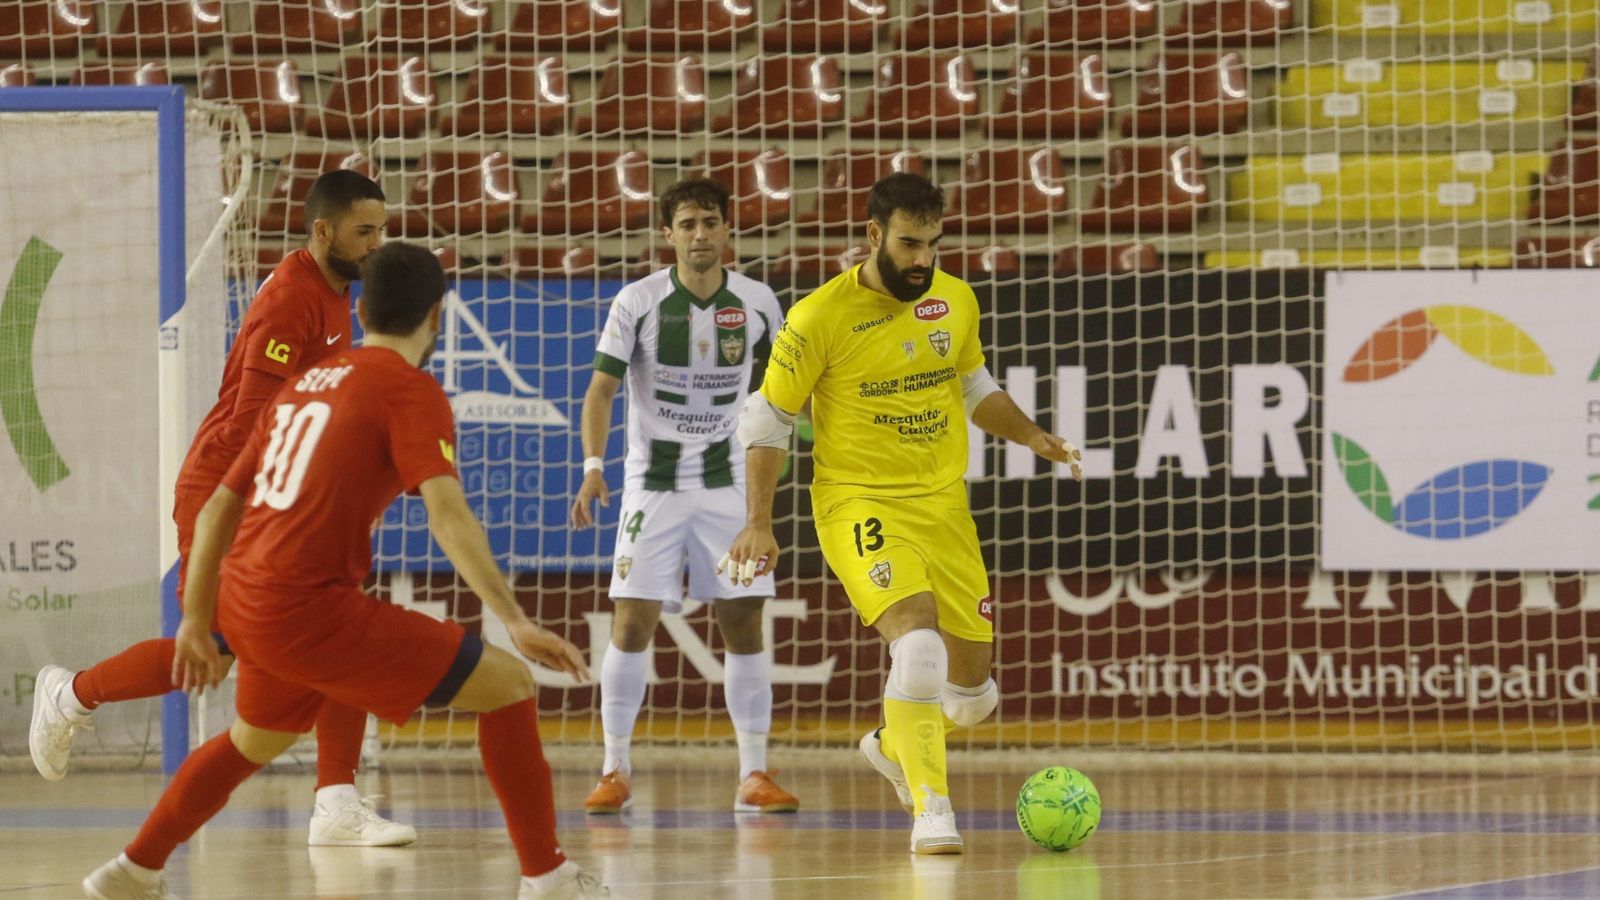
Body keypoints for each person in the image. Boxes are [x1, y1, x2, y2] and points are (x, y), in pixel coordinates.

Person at [82, 243, 610, 900]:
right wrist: (514, 619)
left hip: (245, 597)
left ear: (360, 311)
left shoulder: (304, 383)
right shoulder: (410, 391)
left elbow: (221, 504)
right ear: (437, 319)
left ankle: (134, 868)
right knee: (508, 683)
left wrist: (196, 615)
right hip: (308, 606)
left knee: (256, 738)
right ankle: (549, 877)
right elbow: (447, 515)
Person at [28, 170, 419, 847]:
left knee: (337, 625)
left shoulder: (334, 293)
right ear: (323, 230)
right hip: (229, 489)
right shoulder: (291, 301)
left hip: (276, 490)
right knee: (215, 645)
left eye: (383, 230)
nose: (377, 245)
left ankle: (335, 802)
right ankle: (70, 694)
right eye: (365, 231)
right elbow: (250, 422)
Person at [721, 173, 1083, 854]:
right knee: (916, 647)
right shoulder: (819, 316)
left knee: (973, 697)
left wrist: (1034, 435)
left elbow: (973, 385)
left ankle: (893, 744)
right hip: (858, 501)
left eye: (934, 245)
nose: (923, 260)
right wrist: (758, 521)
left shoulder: (955, 299)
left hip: (943, 506)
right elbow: (768, 420)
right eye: (910, 244)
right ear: (872, 235)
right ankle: (932, 809)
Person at [570, 177, 798, 815]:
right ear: (668, 235)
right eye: (688, 224)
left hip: (730, 486)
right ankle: (614, 768)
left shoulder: (757, 302)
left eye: (711, 223)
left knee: (744, 621)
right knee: (632, 622)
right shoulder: (637, 301)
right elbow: (600, 392)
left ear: (728, 230)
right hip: (654, 486)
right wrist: (594, 466)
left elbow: (783, 392)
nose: (701, 235)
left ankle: (754, 774)